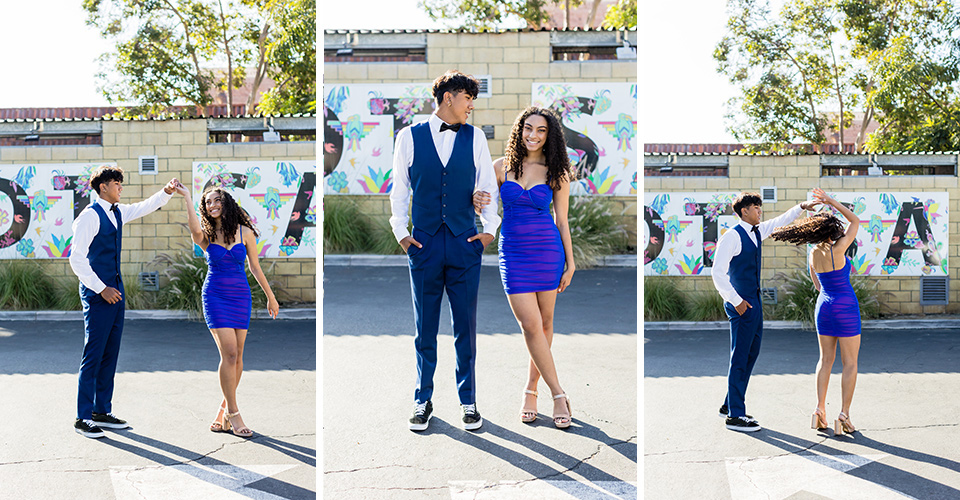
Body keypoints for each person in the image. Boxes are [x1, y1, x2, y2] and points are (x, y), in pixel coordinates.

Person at [389, 70, 501, 432]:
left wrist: (488, 231)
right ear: (449, 96)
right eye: (468, 98)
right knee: (425, 329)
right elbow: (400, 191)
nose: (471, 106)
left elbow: (487, 187)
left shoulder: (476, 137)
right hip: (423, 244)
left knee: (465, 327)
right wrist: (402, 235)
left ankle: (468, 401)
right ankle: (422, 399)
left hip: (464, 242)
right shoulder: (408, 137)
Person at [473, 106, 576, 428]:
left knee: (545, 324)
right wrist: (475, 199)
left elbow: (562, 220)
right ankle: (559, 393)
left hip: (548, 251)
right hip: (514, 253)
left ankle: (531, 389)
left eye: (541, 130)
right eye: (528, 128)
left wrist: (570, 263)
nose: (533, 135)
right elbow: (482, 202)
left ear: (550, 136)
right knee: (530, 326)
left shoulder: (556, 172)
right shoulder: (500, 167)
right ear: (519, 131)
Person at [69, 166, 180, 438]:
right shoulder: (89, 217)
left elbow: (144, 207)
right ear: (103, 187)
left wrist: (165, 192)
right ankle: (82, 417)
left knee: (110, 353)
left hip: (115, 292)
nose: (121, 188)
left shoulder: (117, 211)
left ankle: (101, 411)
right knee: (93, 355)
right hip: (99, 294)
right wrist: (100, 288)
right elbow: (76, 259)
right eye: (117, 183)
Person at [175, 183, 279, 438]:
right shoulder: (205, 236)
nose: (212, 205)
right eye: (207, 202)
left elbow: (255, 267)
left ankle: (222, 412)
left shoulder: (245, 232)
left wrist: (271, 297)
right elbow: (192, 225)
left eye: (216, 200)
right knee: (229, 353)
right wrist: (188, 196)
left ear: (226, 203)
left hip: (240, 296)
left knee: (239, 356)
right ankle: (234, 413)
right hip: (215, 296)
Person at [711, 192, 820, 432]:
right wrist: (736, 301)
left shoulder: (757, 231)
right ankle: (735, 416)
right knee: (739, 356)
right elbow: (717, 273)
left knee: (751, 353)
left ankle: (729, 404)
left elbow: (781, 221)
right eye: (756, 207)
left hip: (754, 302)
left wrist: (802, 206)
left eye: (760, 207)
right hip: (741, 303)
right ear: (744, 211)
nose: (760, 211)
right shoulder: (731, 237)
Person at [770, 188, 861, 434]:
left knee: (825, 360)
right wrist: (831, 201)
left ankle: (819, 410)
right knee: (850, 363)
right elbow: (855, 220)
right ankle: (844, 415)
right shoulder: (839, 249)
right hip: (845, 306)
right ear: (833, 231)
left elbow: (817, 284)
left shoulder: (813, 254)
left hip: (824, 306)